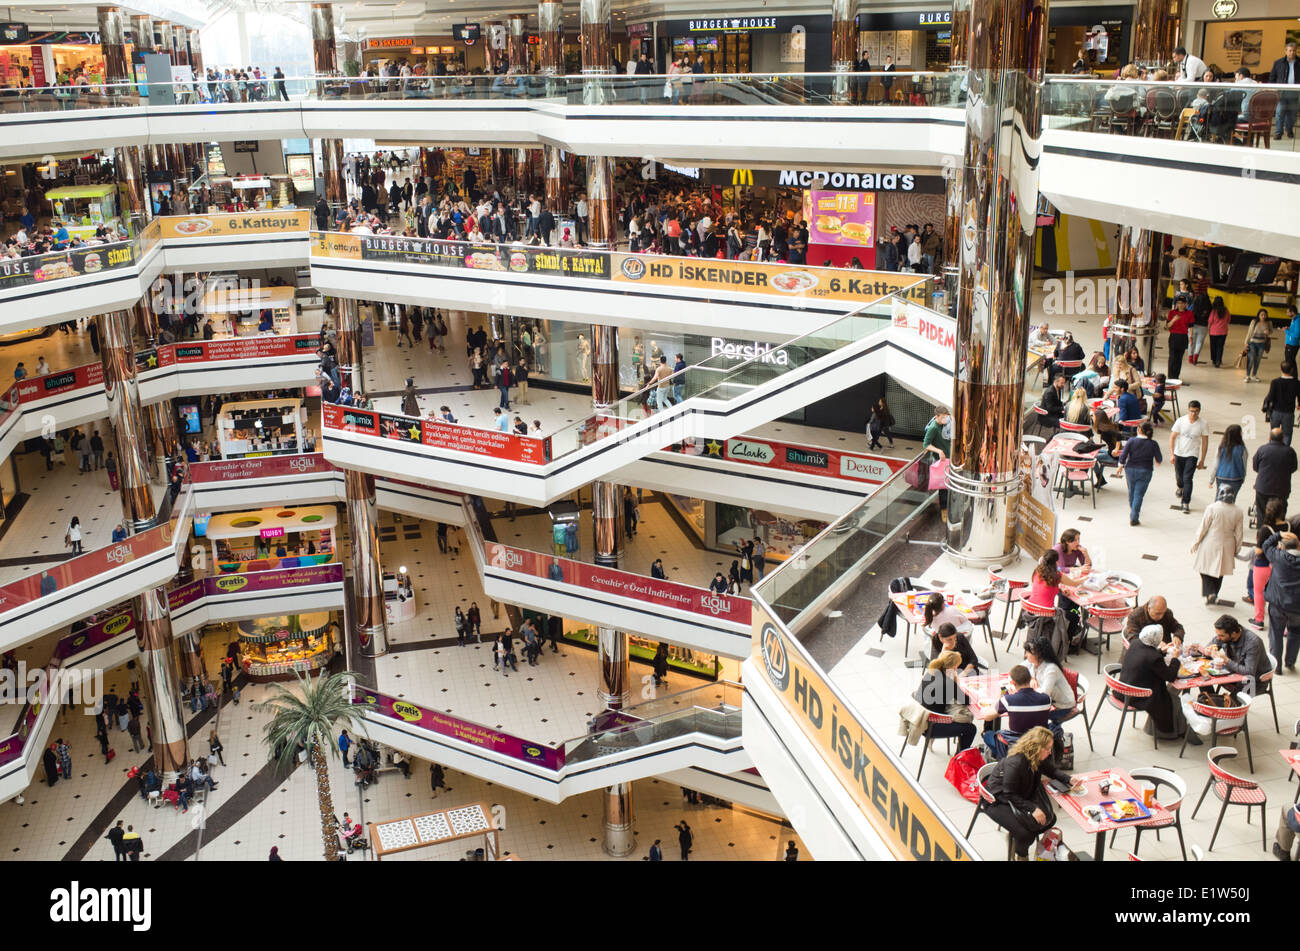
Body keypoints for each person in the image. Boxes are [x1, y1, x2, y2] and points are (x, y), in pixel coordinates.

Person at [983, 726, 1075, 860]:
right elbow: (1009, 794)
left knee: (1050, 819)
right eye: (1048, 749)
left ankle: (1018, 841)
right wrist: (1033, 808)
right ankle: (1022, 855)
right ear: (1037, 748)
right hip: (997, 800)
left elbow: (1052, 771)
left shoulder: (1037, 757)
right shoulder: (1015, 763)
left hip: (1020, 793)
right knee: (1025, 834)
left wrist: (1070, 779)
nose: (1050, 752)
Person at [1118, 623, 1185, 739]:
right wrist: (1175, 658)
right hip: (1137, 696)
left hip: (1122, 689)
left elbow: (1146, 656)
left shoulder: (1135, 644)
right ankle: (1169, 732)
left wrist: (1161, 651)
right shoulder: (1154, 658)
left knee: (1169, 695)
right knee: (1173, 700)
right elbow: (1170, 676)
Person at [980, 664, 1054, 759]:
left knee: (988, 734)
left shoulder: (1008, 700)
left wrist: (1000, 698)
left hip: (1017, 744)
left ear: (1013, 683)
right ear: (1030, 679)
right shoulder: (1046, 699)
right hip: (1039, 742)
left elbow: (987, 716)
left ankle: (999, 757)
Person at [1191, 484, 1244, 604]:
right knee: (1220, 571)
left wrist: (1196, 542)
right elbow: (1239, 533)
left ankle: (1210, 592)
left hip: (1211, 542)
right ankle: (1214, 592)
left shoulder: (1212, 508)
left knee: (1204, 568)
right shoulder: (1238, 511)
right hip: (1228, 543)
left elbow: (1203, 527)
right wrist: (1237, 548)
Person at [914, 650, 977, 750]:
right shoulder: (948, 682)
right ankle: (959, 758)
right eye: (957, 666)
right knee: (971, 729)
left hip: (919, 718)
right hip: (932, 726)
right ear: (953, 667)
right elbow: (966, 700)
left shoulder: (930, 673)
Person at [1262, 530, 1300, 673]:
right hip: (1297, 607)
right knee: (1295, 633)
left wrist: (1278, 534)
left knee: (1276, 633)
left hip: (1277, 604)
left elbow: (1266, 545)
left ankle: (1276, 666)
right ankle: (1290, 662)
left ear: (1283, 547)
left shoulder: (1278, 557)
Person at [1248, 499, 1289, 629]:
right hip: (1282, 566)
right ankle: (1284, 626)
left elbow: (1259, 550)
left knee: (1259, 592)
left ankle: (1259, 620)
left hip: (1263, 565)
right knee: (1280, 595)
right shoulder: (1288, 526)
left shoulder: (1266, 529)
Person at [1209, 614, 1273, 695]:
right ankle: (1211, 700)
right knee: (1202, 677)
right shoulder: (1225, 634)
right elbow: (1211, 645)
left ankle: (1219, 704)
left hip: (1254, 682)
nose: (1218, 638)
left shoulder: (1253, 643)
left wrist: (1227, 660)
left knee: (1232, 703)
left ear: (1233, 633)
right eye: (1217, 634)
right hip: (1234, 674)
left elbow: (1249, 672)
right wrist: (1208, 650)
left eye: (1221, 635)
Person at [1117, 421, 1162, 525]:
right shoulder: (1153, 443)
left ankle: (1133, 509)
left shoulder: (1131, 441)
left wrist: (1120, 466)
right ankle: (1134, 517)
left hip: (1130, 470)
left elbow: (1123, 455)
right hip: (1145, 471)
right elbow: (1159, 458)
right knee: (1139, 494)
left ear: (1139, 430)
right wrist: (1157, 461)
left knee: (1132, 492)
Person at [1169, 400, 1210, 513]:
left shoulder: (1203, 424)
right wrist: (1172, 454)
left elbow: (1205, 442)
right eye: (1192, 411)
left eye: (1196, 411)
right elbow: (1172, 437)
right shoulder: (1180, 421)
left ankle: (1185, 502)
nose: (1194, 414)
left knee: (1188, 478)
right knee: (1179, 477)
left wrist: (1202, 460)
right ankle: (1180, 487)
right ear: (1188, 410)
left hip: (1192, 454)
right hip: (1179, 453)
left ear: (1199, 411)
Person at [1252, 427, 1297, 525]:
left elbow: (1255, 467)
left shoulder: (1262, 449)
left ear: (1269, 437)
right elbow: (1293, 468)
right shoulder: (1290, 452)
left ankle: (1262, 533)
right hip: (1281, 490)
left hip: (1263, 488)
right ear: (1283, 438)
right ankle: (1276, 534)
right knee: (1279, 516)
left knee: (1261, 514)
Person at [922, 407, 951, 519]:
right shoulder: (934, 427)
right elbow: (926, 444)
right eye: (943, 417)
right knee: (943, 487)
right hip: (941, 461)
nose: (945, 419)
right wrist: (939, 451)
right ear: (937, 416)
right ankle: (944, 510)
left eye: (946, 416)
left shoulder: (946, 424)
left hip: (949, 459)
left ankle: (948, 507)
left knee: (949, 485)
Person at [1262, 361, 1299, 446]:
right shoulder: (1296, 383)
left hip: (1276, 411)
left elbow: (1270, 397)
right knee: (1287, 434)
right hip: (1288, 413)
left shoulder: (1275, 382)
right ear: (1292, 370)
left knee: (1274, 433)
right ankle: (1285, 451)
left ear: (1281, 369)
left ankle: (1273, 449)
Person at [1268, 40, 1299, 139]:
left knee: (1293, 114)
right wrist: (1272, 88)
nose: (1292, 52)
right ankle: (1278, 132)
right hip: (1281, 92)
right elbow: (1272, 77)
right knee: (1280, 112)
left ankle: (1289, 129)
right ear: (1285, 51)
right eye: (1290, 50)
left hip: (1295, 92)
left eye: (1294, 51)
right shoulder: (1278, 63)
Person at [1211, 424, 1248, 499]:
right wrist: (1243, 477)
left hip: (1221, 476)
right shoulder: (1242, 449)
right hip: (1236, 477)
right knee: (1231, 500)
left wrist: (1211, 479)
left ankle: (1217, 511)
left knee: (1219, 498)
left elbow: (1215, 464)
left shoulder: (1221, 447)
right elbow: (1244, 465)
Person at [1164, 296, 1193, 379]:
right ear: (1176, 304)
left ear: (1186, 304)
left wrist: (1191, 337)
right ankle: (1170, 376)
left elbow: (1191, 327)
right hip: (1174, 336)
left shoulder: (1189, 314)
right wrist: (1173, 320)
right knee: (1172, 357)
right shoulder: (1172, 313)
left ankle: (1176, 376)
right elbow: (1167, 327)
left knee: (1179, 358)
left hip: (1183, 337)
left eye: (1182, 303)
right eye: (1178, 303)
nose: (1180, 305)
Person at [1244, 309, 1274, 382]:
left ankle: (1254, 375)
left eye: (1265, 315)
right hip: (1252, 343)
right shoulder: (1254, 322)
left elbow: (1271, 331)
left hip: (1262, 343)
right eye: (1261, 315)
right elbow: (1249, 332)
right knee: (1251, 359)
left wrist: (1268, 332)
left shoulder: (1268, 322)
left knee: (1258, 360)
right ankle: (1247, 375)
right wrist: (1246, 342)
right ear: (1258, 315)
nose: (1263, 316)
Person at [1207, 296, 1231, 367]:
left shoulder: (1214, 311)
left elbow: (1210, 320)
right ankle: (1218, 360)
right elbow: (1229, 320)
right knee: (1220, 346)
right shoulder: (1226, 310)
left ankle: (1214, 360)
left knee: (1213, 346)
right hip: (1223, 332)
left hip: (1213, 332)